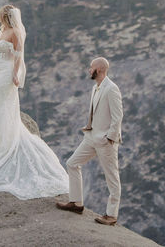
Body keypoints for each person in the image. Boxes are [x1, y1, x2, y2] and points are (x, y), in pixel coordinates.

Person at [0, 4, 68, 199]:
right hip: (0, 69)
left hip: (8, 71)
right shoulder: (4, 31)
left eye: (1, 15)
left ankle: (6, 136)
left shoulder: (15, 32)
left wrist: (15, 74)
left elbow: (17, 55)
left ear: (6, 16)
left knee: (3, 102)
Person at [55, 56, 123, 226]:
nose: (88, 70)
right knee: (72, 163)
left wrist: (110, 138)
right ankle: (76, 203)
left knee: (112, 178)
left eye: (91, 67)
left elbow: (118, 116)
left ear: (98, 70)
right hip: (91, 137)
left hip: (105, 141)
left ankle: (111, 215)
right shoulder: (95, 88)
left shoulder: (111, 89)